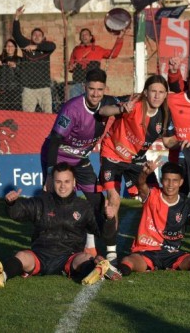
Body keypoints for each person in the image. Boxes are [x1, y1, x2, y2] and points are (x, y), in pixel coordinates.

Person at [41, 68, 126, 257]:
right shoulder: (72, 109)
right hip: (59, 157)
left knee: (98, 202)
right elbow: (54, 141)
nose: (95, 94)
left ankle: (109, 252)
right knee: (53, 202)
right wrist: (50, 174)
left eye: (100, 89)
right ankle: (47, 248)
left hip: (81, 160)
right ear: (84, 87)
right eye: (91, 89)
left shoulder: (108, 102)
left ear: (105, 89)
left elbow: (126, 99)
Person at [0, 163, 118, 288]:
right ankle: (1, 275)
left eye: (67, 181)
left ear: (74, 182)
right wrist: (12, 204)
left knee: (85, 257)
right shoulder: (41, 202)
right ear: (53, 182)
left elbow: (105, 234)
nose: (62, 186)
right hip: (40, 255)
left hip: (70, 257)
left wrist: (110, 219)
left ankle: (93, 272)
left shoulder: (84, 207)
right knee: (21, 256)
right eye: (58, 181)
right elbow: (18, 213)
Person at [98, 74, 179, 263]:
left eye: (161, 92)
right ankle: (111, 252)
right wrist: (120, 108)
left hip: (136, 160)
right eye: (153, 91)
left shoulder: (165, 115)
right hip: (112, 155)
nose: (157, 96)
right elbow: (103, 110)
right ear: (146, 92)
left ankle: (152, 242)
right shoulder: (133, 104)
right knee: (114, 199)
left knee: (153, 197)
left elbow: (168, 141)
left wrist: (183, 143)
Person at [118, 161, 190, 277]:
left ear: (181, 182)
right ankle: (117, 272)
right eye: (167, 180)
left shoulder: (189, 204)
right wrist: (144, 174)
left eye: (175, 180)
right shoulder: (151, 195)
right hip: (146, 251)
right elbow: (141, 184)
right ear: (162, 180)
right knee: (128, 260)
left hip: (173, 254)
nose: (170, 184)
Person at [12, 5, 56, 113]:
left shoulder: (46, 47)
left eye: (39, 35)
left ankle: (48, 131)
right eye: (34, 35)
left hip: (44, 89)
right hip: (28, 89)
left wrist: (36, 47)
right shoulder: (26, 45)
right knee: (28, 118)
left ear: (43, 38)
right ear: (31, 37)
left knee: (48, 116)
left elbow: (53, 46)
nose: (37, 36)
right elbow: (16, 35)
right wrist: (16, 18)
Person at [68, 28, 126, 98]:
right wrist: (71, 67)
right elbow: (70, 66)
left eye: (86, 34)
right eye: (82, 35)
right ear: (80, 38)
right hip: (77, 84)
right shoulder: (76, 50)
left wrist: (120, 38)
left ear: (91, 37)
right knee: (74, 105)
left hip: (92, 85)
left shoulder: (98, 49)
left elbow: (113, 54)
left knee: (90, 106)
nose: (84, 36)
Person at [0, 39, 22, 110]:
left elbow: (22, 75)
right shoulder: (0, 58)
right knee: (1, 111)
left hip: (14, 90)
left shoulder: (19, 59)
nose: (9, 48)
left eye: (12, 46)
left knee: (14, 111)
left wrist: (15, 67)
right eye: (8, 46)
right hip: (1, 90)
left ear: (15, 48)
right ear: (5, 47)